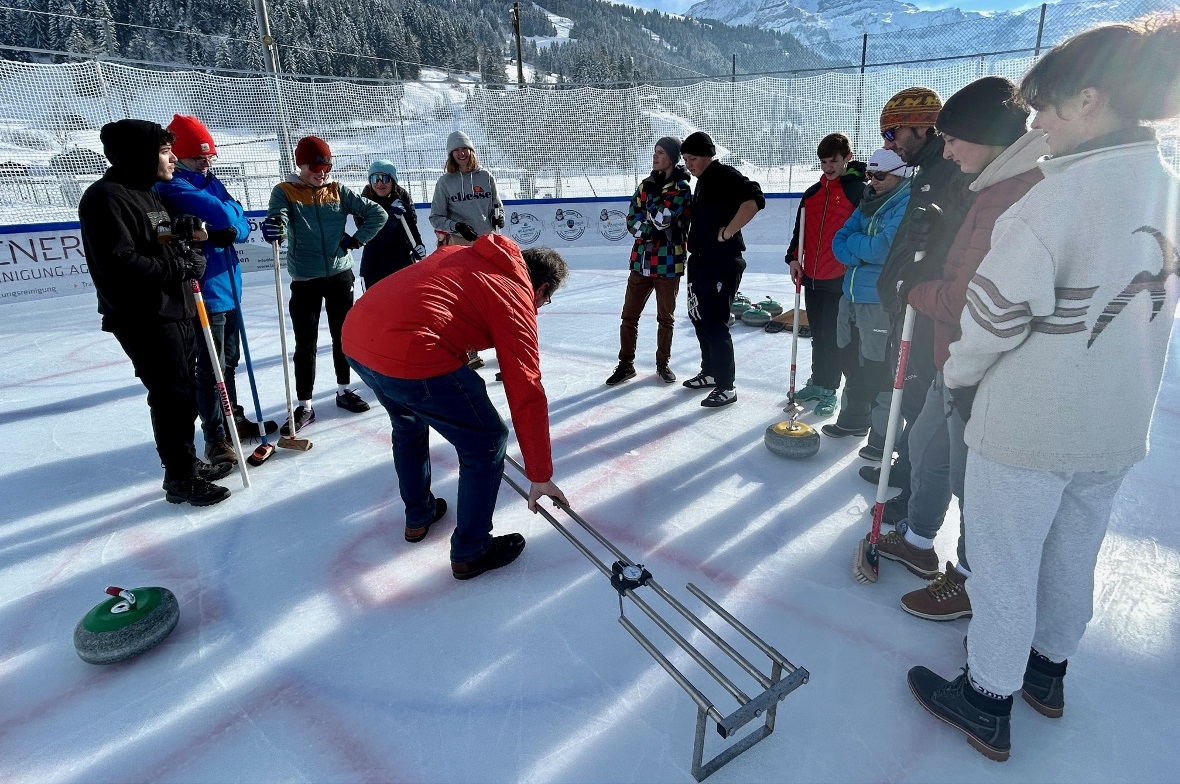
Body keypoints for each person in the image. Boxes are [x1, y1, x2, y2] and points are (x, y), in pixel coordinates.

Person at [908, 18, 1180, 762]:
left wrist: (959, 381)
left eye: (1046, 111)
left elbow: (992, 317)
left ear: (1089, 100)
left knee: (1003, 561)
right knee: (1073, 552)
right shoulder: (1168, 188)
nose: (1038, 128)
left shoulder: (1054, 202)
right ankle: (1047, 673)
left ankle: (986, 697)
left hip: (1031, 425)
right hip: (1116, 423)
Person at [877, 79, 1048, 621]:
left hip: (983, 364)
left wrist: (914, 289)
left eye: (953, 140)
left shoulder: (1013, 194)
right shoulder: (987, 184)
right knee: (926, 447)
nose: (945, 151)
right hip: (955, 358)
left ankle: (972, 579)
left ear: (985, 136)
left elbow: (972, 298)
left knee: (971, 477)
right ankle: (920, 541)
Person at [342, 235, 570, 580]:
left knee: (407, 422)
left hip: (357, 339)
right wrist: (539, 474)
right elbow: (525, 388)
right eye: (545, 300)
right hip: (410, 353)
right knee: (485, 441)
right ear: (541, 286)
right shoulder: (515, 294)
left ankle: (419, 516)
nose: (539, 307)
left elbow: (433, 301)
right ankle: (471, 549)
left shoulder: (461, 253)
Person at [78, 119, 231, 506]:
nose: (174, 158)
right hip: (144, 315)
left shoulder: (148, 193)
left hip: (175, 309)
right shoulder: (106, 198)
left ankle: (186, 464)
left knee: (182, 393)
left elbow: (164, 245)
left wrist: (185, 241)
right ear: (140, 155)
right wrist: (177, 268)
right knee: (171, 396)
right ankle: (180, 477)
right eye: (165, 152)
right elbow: (119, 261)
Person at [857, 86, 976, 512]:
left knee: (924, 406)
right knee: (911, 400)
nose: (889, 144)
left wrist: (919, 278)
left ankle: (914, 502)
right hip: (909, 303)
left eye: (893, 133)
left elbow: (962, 246)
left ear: (923, 127)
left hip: (929, 310)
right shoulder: (927, 170)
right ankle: (906, 474)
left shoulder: (950, 170)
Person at [155, 114, 273, 468]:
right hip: (204, 290)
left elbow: (237, 219)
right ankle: (215, 436)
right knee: (211, 369)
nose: (206, 165)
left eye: (209, 158)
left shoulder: (209, 181)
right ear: (180, 158)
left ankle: (231, 416)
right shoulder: (173, 186)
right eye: (197, 159)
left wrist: (229, 228)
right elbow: (224, 215)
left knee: (229, 362)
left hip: (229, 285)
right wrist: (227, 223)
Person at [262, 135, 387, 434]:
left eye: (326, 166)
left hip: (339, 274)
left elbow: (376, 213)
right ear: (301, 165)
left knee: (343, 336)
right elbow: (277, 216)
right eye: (315, 167)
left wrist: (355, 239)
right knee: (305, 342)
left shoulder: (337, 190)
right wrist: (275, 227)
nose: (321, 172)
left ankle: (344, 390)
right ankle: (304, 403)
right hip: (305, 277)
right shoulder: (285, 191)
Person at [829, 148, 912, 456]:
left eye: (880, 176)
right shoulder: (867, 200)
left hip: (878, 299)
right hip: (851, 295)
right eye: (869, 175)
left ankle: (882, 437)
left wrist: (857, 247)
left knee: (879, 368)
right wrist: (860, 247)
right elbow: (839, 242)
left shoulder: (905, 202)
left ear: (901, 173)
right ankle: (853, 418)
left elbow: (882, 249)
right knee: (850, 360)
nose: (872, 181)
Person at [679, 131, 765, 407]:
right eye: (685, 159)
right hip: (701, 260)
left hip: (722, 261)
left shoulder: (724, 174)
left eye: (692, 158)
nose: (688, 164)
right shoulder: (703, 181)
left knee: (715, 323)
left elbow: (754, 200)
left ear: (707, 155)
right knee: (699, 318)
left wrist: (728, 231)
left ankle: (727, 386)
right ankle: (711, 372)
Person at [785, 132, 866, 417]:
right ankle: (819, 382)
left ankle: (832, 389)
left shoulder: (858, 191)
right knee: (818, 335)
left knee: (836, 336)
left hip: (841, 278)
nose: (828, 167)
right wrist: (794, 259)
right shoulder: (812, 194)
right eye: (823, 162)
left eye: (833, 161)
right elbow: (800, 231)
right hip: (813, 276)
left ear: (848, 158)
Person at [605, 136, 692, 386]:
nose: (655, 156)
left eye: (661, 152)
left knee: (666, 318)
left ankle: (662, 364)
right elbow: (632, 219)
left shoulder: (681, 188)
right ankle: (626, 365)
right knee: (628, 316)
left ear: (673, 158)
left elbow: (662, 218)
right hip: (640, 263)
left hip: (668, 262)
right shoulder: (645, 185)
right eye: (654, 151)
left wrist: (651, 222)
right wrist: (651, 228)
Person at [429, 130, 504, 370]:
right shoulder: (445, 182)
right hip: (459, 248)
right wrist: (456, 226)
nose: (462, 153)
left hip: (488, 246)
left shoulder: (485, 176)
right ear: (451, 155)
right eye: (456, 150)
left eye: (465, 149)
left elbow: (496, 204)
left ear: (472, 151)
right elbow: (435, 217)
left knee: (492, 298)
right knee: (463, 301)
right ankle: (468, 349)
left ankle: (502, 348)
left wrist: (499, 215)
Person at [358, 159, 426, 290]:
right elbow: (374, 241)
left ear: (393, 180)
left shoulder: (401, 198)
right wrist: (391, 218)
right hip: (374, 268)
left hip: (402, 265)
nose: (379, 183)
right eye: (375, 179)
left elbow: (411, 228)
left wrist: (418, 246)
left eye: (385, 178)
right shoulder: (364, 204)